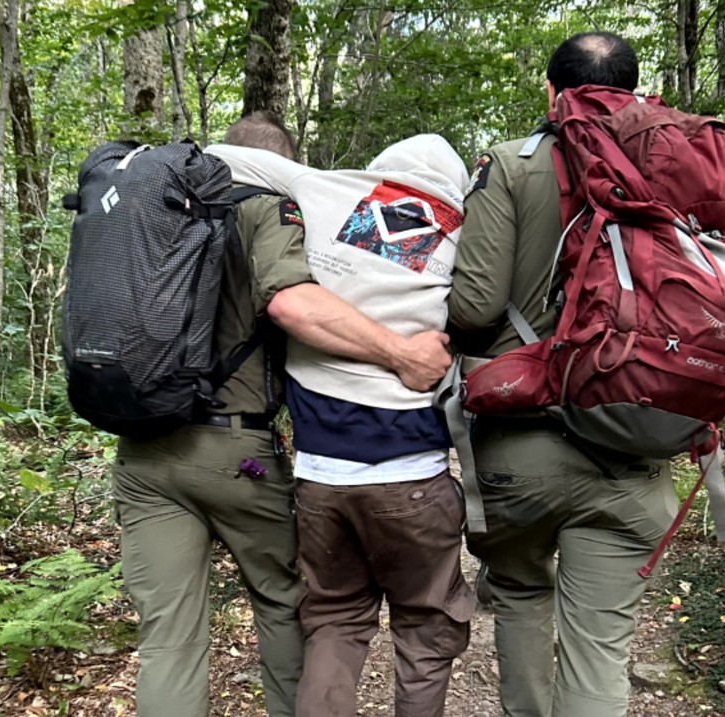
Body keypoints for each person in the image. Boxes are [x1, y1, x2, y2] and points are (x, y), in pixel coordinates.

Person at [111, 111, 453, 717]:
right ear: (279, 166)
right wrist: (401, 351)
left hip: (141, 450)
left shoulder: (155, 212)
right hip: (234, 453)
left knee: (167, 640)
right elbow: (295, 305)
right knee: (286, 607)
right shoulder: (265, 208)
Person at [447, 33, 679, 717]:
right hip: (634, 442)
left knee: (520, 595)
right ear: (632, 92)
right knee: (601, 647)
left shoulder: (514, 167)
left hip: (523, 448)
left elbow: (477, 303)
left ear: (551, 92)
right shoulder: (671, 166)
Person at [209, 134, 475, 717]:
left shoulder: (319, 187)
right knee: (426, 633)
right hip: (414, 477)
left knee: (333, 623)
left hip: (321, 479)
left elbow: (215, 154)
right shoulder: (465, 229)